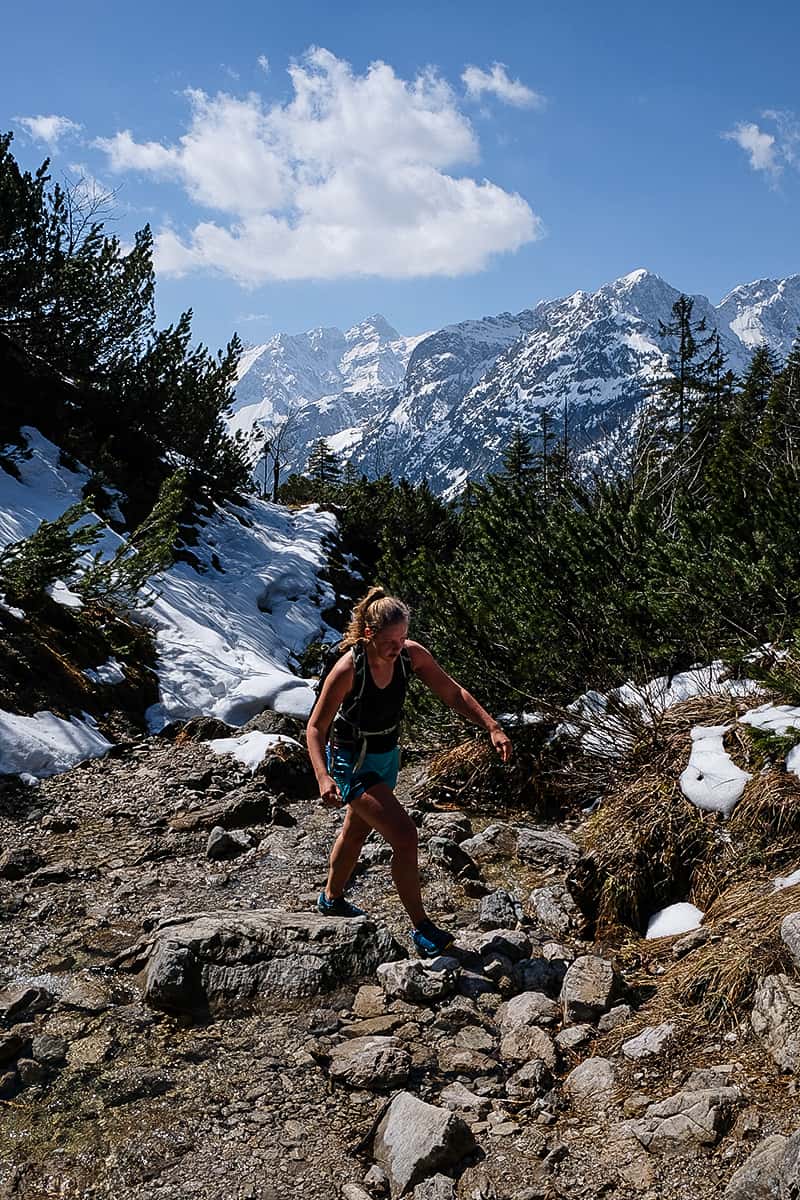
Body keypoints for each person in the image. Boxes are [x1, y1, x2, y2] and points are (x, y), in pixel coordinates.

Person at [306, 586, 513, 957]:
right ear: (369, 635)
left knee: (355, 833)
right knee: (404, 835)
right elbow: (316, 727)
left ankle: (331, 898)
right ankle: (422, 927)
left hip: (387, 756)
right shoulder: (348, 669)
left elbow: (453, 693)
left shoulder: (410, 656)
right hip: (352, 760)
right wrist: (323, 776)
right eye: (390, 640)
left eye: (403, 637)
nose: (398, 646)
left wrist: (491, 726)